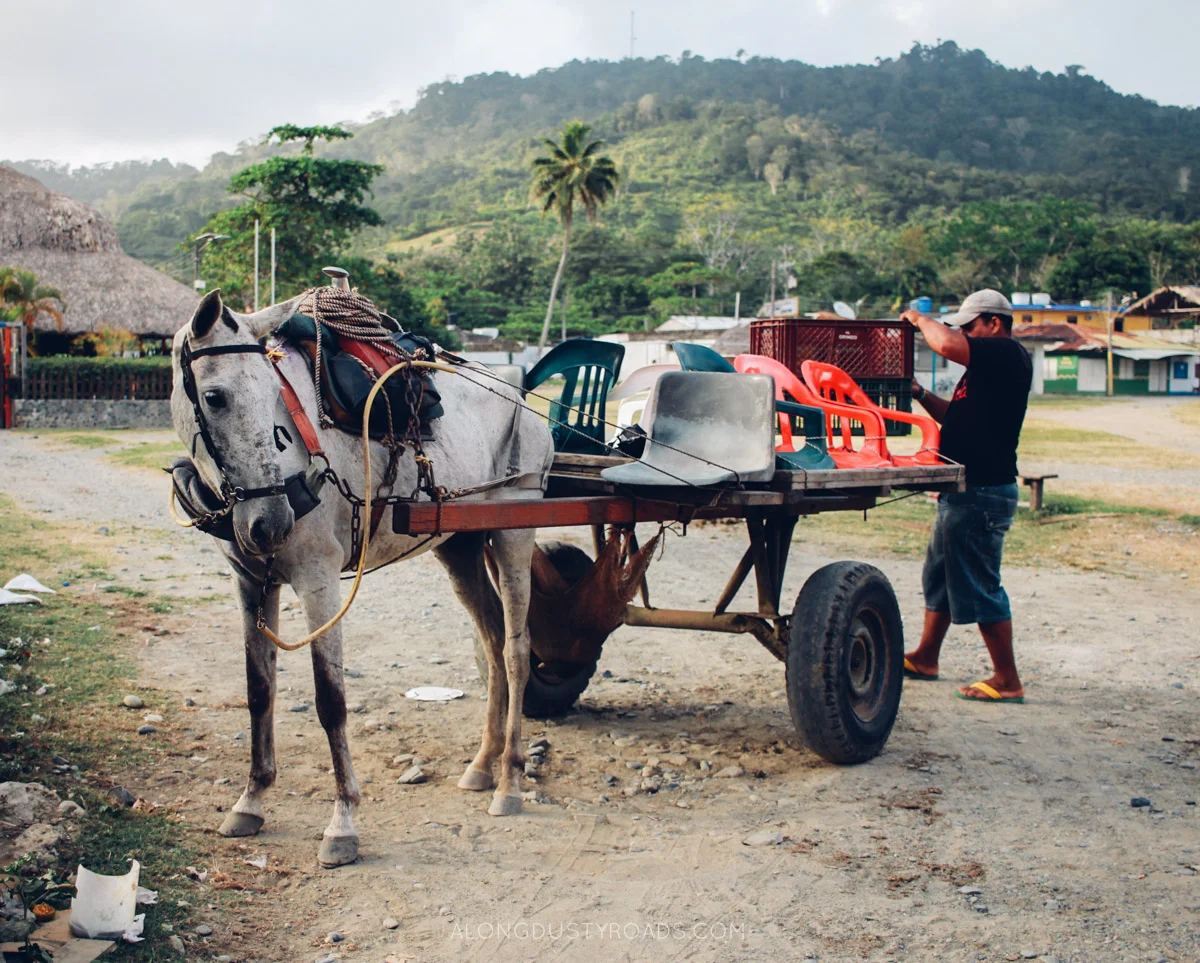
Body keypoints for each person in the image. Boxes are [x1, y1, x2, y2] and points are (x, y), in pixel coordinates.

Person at [900, 289, 1032, 703]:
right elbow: (955, 418)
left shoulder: (1006, 353)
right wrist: (920, 394)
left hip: (983, 490)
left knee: (980, 583)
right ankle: (926, 657)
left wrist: (919, 318)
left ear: (994, 323)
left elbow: (944, 343)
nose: (965, 335)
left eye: (970, 327)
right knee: (939, 577)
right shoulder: (985, 369)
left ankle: (1007, 679)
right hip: (963, 489)